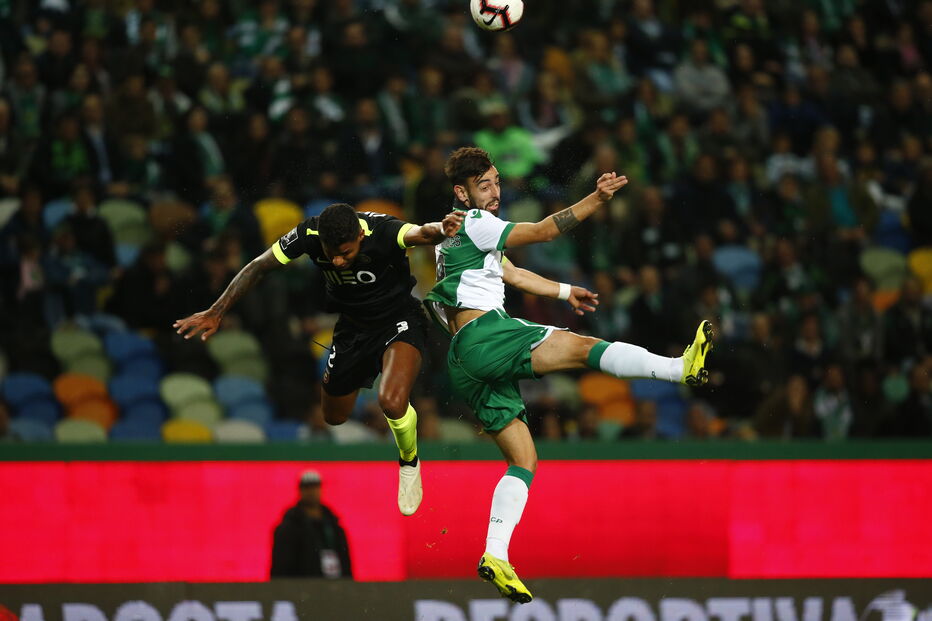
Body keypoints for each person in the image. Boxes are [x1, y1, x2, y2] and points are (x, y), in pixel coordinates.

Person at [426, 147, 713, 603]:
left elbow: (511, 272)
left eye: (498, 181)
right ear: (461, 193)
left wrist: (563, 291)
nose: (497, 192)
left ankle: (494, 554)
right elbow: (541, 231)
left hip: (463, 361)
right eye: (485, 186)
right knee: (583, 350)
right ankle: (680, 369)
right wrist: (595, 200)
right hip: (486, 335)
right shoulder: (476, 223)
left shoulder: (454, 238)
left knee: (524, 461)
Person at [174, 203, 464, 516]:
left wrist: (442, 228)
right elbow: (259, 265)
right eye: (331, 252)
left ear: (359, 237)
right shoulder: (309, 233)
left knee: (391, 401)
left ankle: (409, 461)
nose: (337, 261)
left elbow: (421, 232)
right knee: (334, 416)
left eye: (346, 252)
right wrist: (216, 310)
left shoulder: (384, 231)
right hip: (352, 328)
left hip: (399, 319)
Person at [270, 470, 352, 578]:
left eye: (314, 487)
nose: (311, 492)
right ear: (300, 490)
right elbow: (281, 565)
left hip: (333, 585)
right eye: (307, 488)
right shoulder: (288, 528)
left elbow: (345, 562)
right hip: (300, 587)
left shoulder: (334, 526)